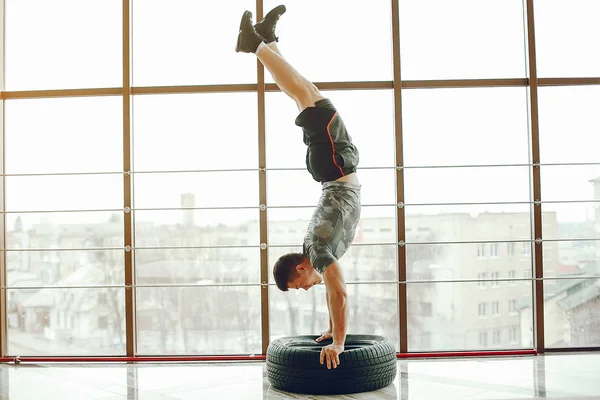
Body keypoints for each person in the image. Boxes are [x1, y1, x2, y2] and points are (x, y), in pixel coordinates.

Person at [236, 5, 361, 370]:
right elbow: (331, 294)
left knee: (307, 93)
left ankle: (256, 45)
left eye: (300, 285)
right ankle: (267, 39)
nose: (307, 289)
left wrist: (339, 342)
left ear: (302, 269)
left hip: (336, 168)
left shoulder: (319, 253)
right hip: (331, 171)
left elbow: (338, 292)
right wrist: (332, 329)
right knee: (304, 94)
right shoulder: (317, 252)